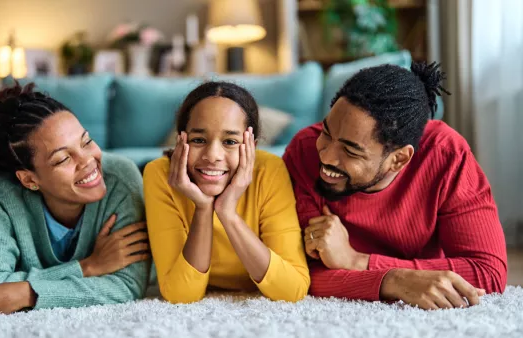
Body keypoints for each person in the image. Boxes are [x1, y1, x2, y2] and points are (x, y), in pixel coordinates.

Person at [282, 62, 508, 310]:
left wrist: (358, 261)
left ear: (398, 159)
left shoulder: (446, 155)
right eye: (326, 133)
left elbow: (488, 272)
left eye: (350, 150)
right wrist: (393, 281)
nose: (325, 156)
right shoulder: (303, 152)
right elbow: (298, 274)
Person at [0, 83, 150, 314]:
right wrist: (86, 267)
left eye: (86, 142)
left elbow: (127, 285)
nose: (87, 161)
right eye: (63, 159)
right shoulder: (3, 194)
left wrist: (25, 293)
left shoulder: (120, 178)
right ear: (29, 180)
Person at [143, 81, 310, 303]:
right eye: (198, 140)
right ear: (180, 141)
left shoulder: (269, 171)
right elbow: (180, 294)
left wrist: (227, 213)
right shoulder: (160, 175)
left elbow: (292, 290)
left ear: (252, 146)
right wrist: (203, 208)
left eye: (230, 141)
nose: (213, 155)